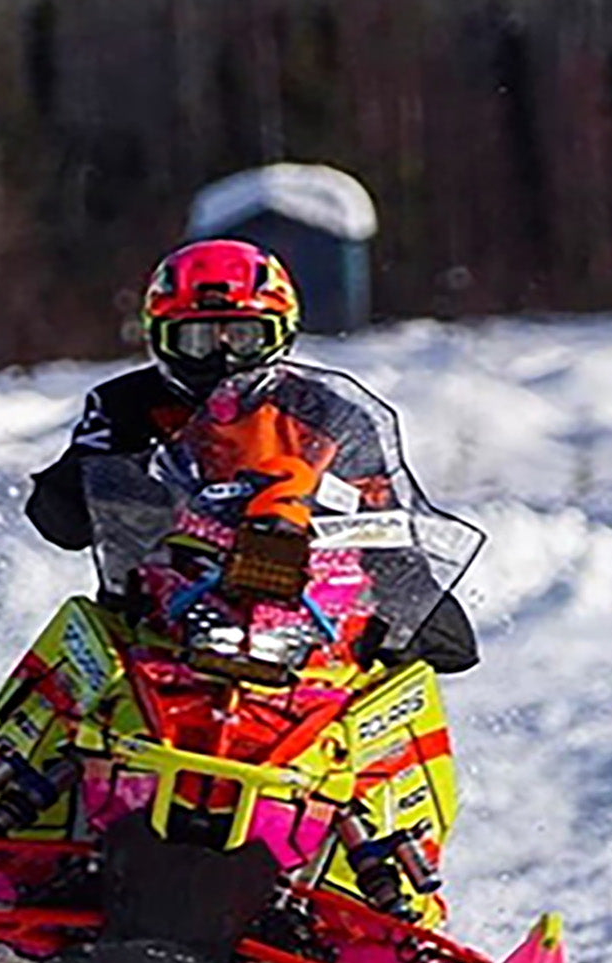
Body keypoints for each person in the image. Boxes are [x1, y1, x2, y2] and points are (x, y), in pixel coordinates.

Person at [25, 239, 478, 674]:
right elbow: (67, 516)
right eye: (197, 340)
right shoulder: (125, 405)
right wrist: (90, 490)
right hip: (155, 615)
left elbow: (382, 515)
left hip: (307, 614)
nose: (222, 356)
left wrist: (414, 601)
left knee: (406, 672)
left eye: (244, 337)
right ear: (159, 338)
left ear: (282, 333)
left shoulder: (328, 413)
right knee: (75, 663)